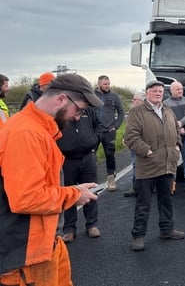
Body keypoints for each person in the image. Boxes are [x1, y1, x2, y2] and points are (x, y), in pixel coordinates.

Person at [0, 73, 101, 285]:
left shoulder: (41, 129)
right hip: (25, 255)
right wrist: (74, 194)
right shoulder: (26, 133)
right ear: (61, 99)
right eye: (79, 110)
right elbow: (26, 198)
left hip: (45, 243)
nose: (77, 117)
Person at [123, 80, 185, 252]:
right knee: (143, 203)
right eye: (155, 91)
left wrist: (177, 147)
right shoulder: (137, 112)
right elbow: (130, 138)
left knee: (166, 201)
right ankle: (138, 236)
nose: (158, 93)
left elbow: (176, 132)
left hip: (167, 165)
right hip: (148, 167)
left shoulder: (168, 111)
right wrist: (148, 152)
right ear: (147, 93)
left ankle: (167, 230)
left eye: (160, 91)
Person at [58, 105, 103, 243]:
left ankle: (92, 224)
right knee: (68, 192)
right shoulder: (61, 111)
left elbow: (98, 126)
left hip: (87, 157)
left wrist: (94, 142)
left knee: (91, 191)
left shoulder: (88, 110)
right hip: (67, 159)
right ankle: (69, 229)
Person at [95, 75, 124, 192]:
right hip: (95, 131)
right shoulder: (92, 95)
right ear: (99, 85)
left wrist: (115, 126)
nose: (107, 86)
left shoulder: (114, 96)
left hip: (109, 132)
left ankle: (111, 178)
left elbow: (121, 113)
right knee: (91, 157)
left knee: (110, 155)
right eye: (105, 84)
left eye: (108, 84)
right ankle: (91, 182)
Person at [123, 90, 146, 197]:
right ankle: (135, 187)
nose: (132, 101)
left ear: (141, 101)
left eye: (135, 99)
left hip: (145, 142)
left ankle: (148, 187)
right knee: (135, 164)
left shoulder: (148, 111)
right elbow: (128, 127)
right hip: (134, 142)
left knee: (147, 164)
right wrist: (125, 137)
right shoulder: (132, 111)